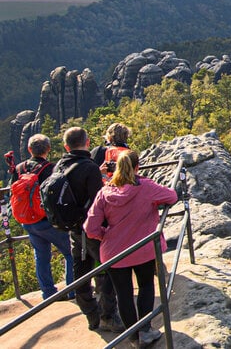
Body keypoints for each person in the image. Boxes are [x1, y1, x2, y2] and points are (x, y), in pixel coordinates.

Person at [84, 150, 177, 348]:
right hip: (143, 249)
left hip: (114, 254)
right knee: (145, 286)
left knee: (123, 294)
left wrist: (106, 235)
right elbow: (172, 196)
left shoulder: (104, 192)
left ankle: (134, 338)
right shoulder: (146, 188)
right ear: (137, 167)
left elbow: (90, 228)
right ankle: (145, 330)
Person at [57, 126, 122, 332]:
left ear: (66, 146)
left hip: (73, 228)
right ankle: (108, 316)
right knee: (108, 272)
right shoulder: (89, 167)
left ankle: (91, 317)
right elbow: (98, 201)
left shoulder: (58, 165)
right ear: (87, 143)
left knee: (81, 271)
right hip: (93, 229)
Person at [11, 134, 75, 300]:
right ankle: (73, 290)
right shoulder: (50, 169)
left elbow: (13, 191)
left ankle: (48, 293)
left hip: (27, 221)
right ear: (48, 149)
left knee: (41, 256)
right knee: (70, 253)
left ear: (29, 149)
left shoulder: (19, 168)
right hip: (47, 220)